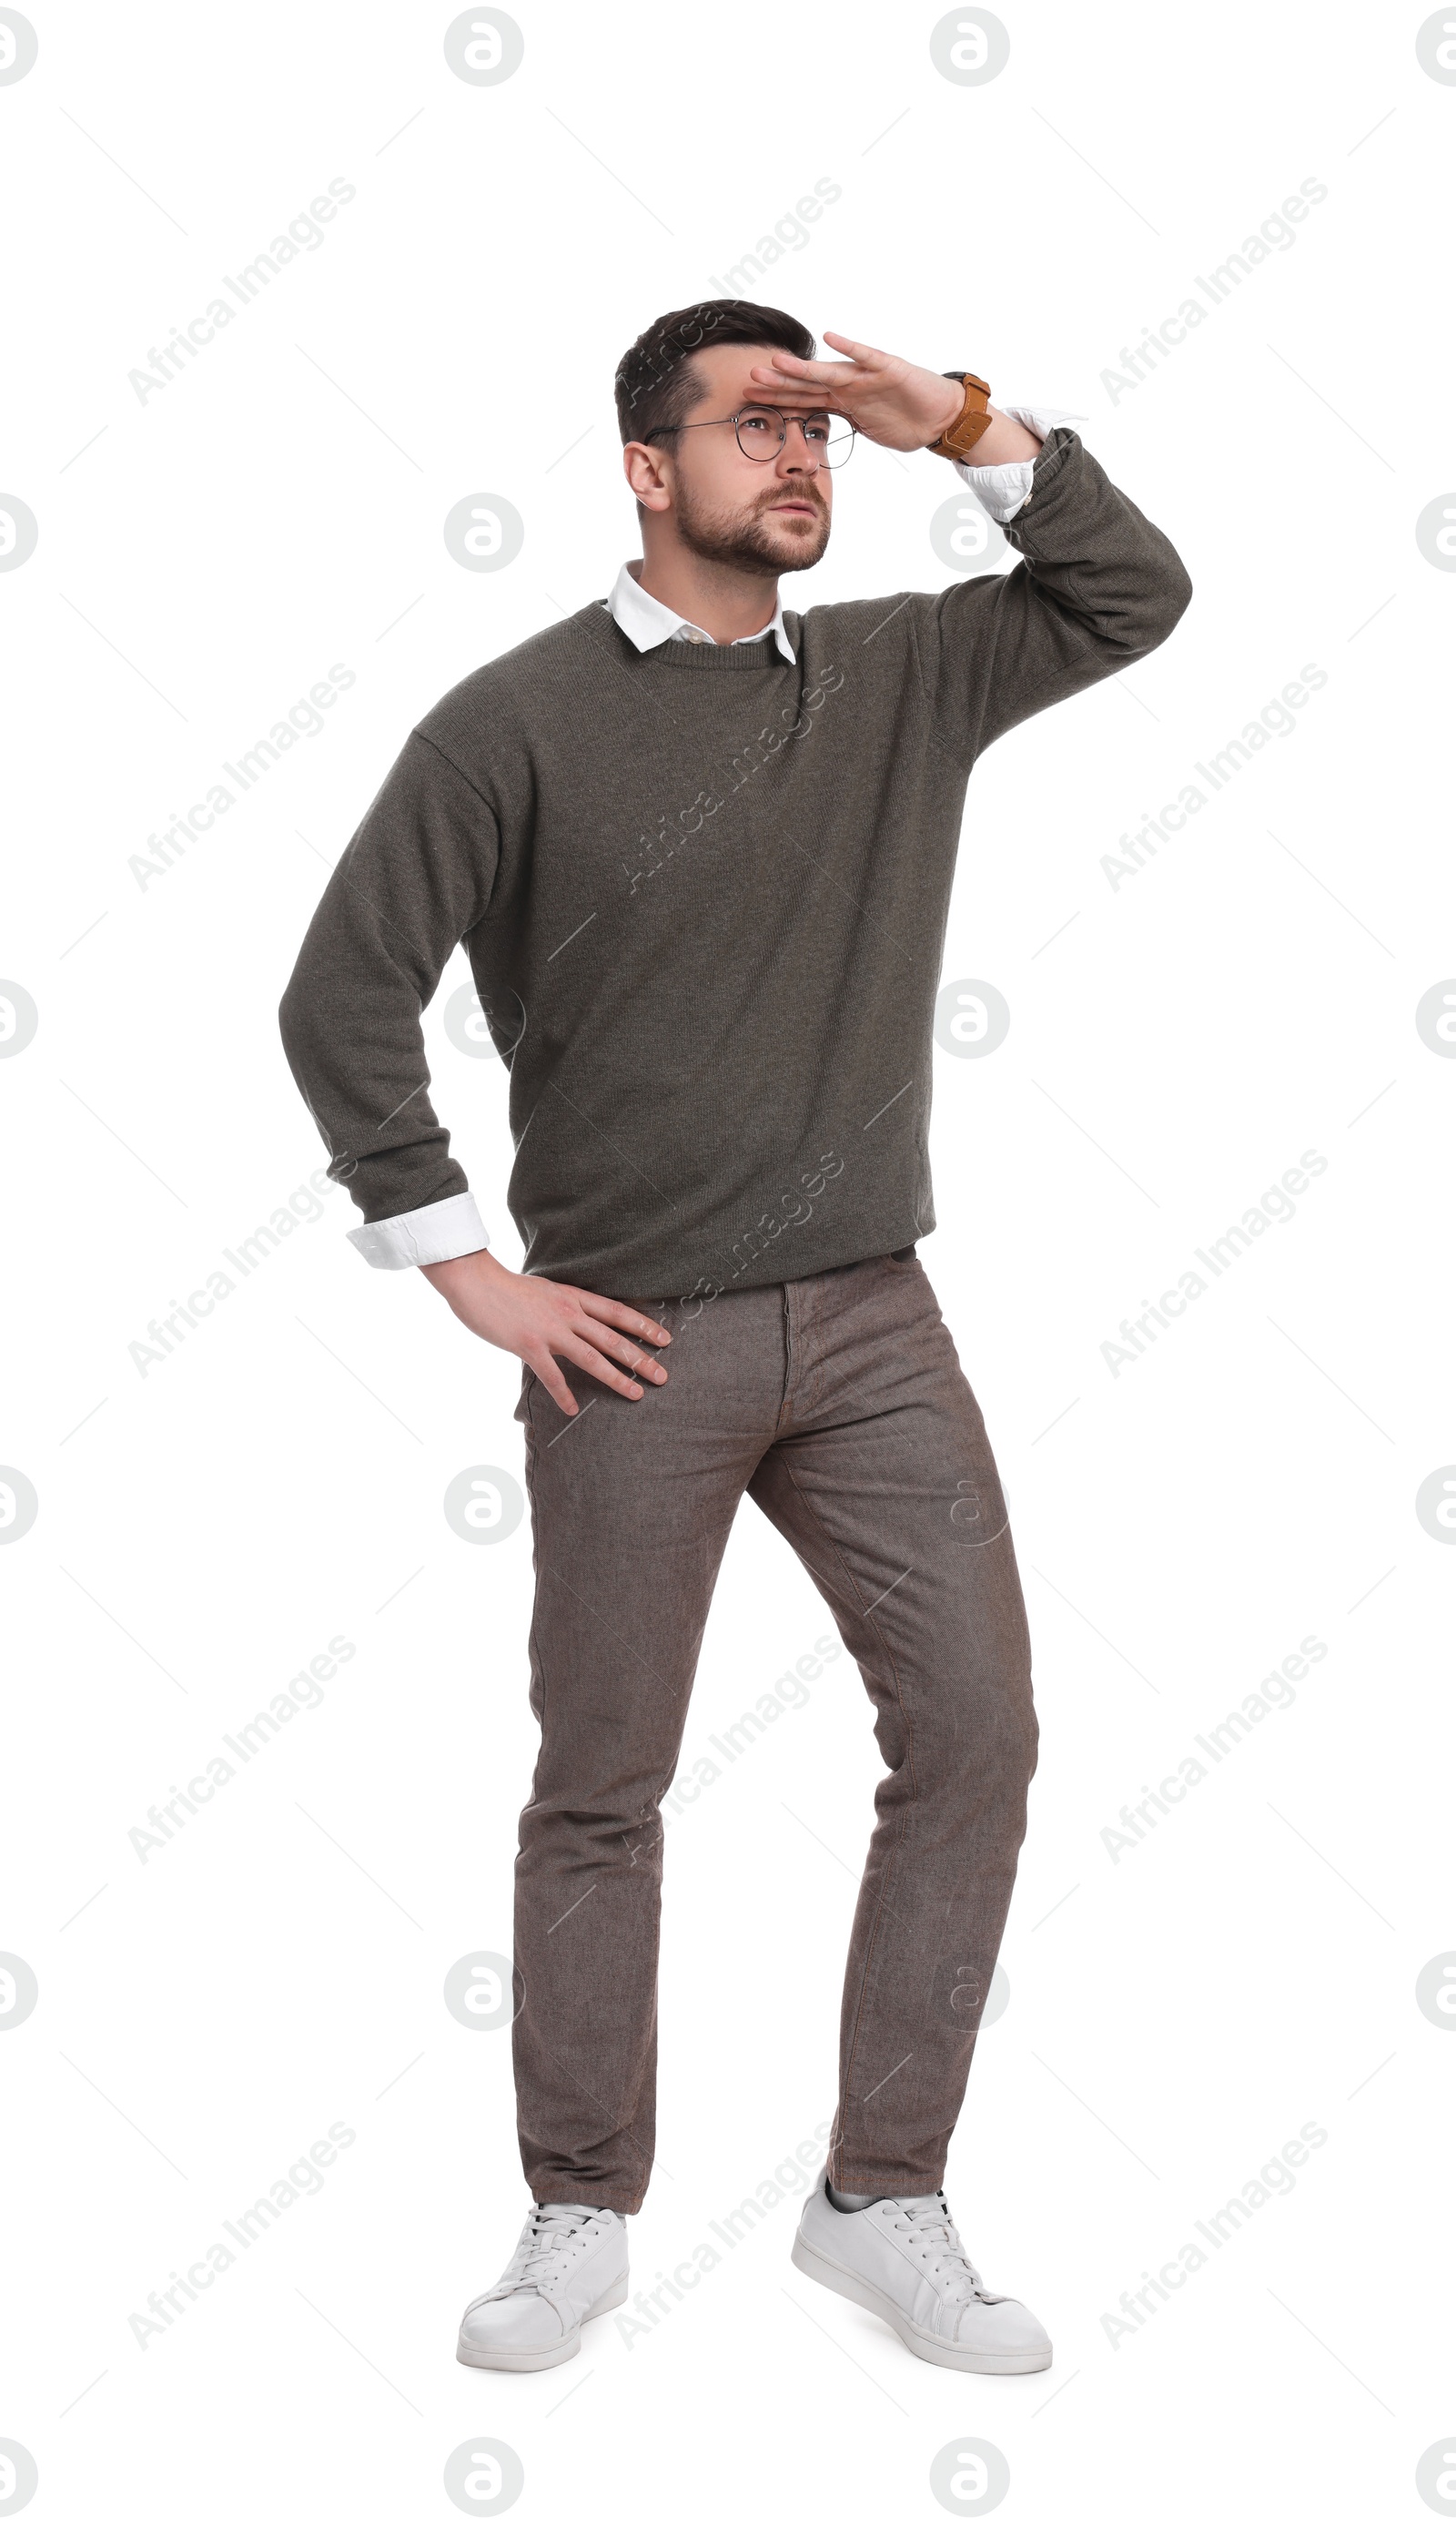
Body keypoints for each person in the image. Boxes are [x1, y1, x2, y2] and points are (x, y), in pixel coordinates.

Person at [278, 299, 1191, 2377]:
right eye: (754, 426)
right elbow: (339, 997)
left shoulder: (901, 671)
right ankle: (577, 2208)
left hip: (878, 1317)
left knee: (975, 1732)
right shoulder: (506, 724)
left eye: (817, 431)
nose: (800, 460)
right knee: (599, 1779)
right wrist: (464, 1266)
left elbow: (1131, 589)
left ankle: (881, 2196)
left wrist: (946, 416)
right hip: (628, 1344)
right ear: (637, 467)